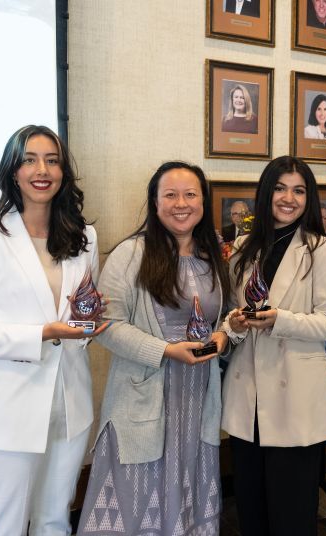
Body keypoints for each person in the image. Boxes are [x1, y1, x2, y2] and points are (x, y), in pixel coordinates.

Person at [0, 125, 106, 534]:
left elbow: (82, 314)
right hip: (5, 412)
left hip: (71, 407)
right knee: (4, 526)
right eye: (29, 159)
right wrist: (42, 333)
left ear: (64, 172)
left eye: (52, 160)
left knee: (53, 521)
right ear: (12, 170)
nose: (41, 169)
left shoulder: (84, 238)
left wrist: (87, 328)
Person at [78, 161, 230, 534]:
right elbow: (105, 324)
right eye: (170, 194)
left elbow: (228, 317)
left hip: (198, 398)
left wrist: (226, 335)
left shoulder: (215, 255)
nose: (181, 203)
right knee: (138, 496)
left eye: (190, 194)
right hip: (143, 395)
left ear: (203, 201)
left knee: (190, 489)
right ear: (155, 201)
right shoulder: (130, 254)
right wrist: (165, 350)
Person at [221, 155, 326, 535]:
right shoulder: (242, 248)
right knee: (252, 508)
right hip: (248, 395)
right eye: (279, 188)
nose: (288, 198)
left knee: (291, 512)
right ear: (265, 192)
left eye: (299, 190)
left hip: (296, 395)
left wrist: (281, 320)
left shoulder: (321, 248)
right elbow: (228, 315)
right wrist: (236, 324)